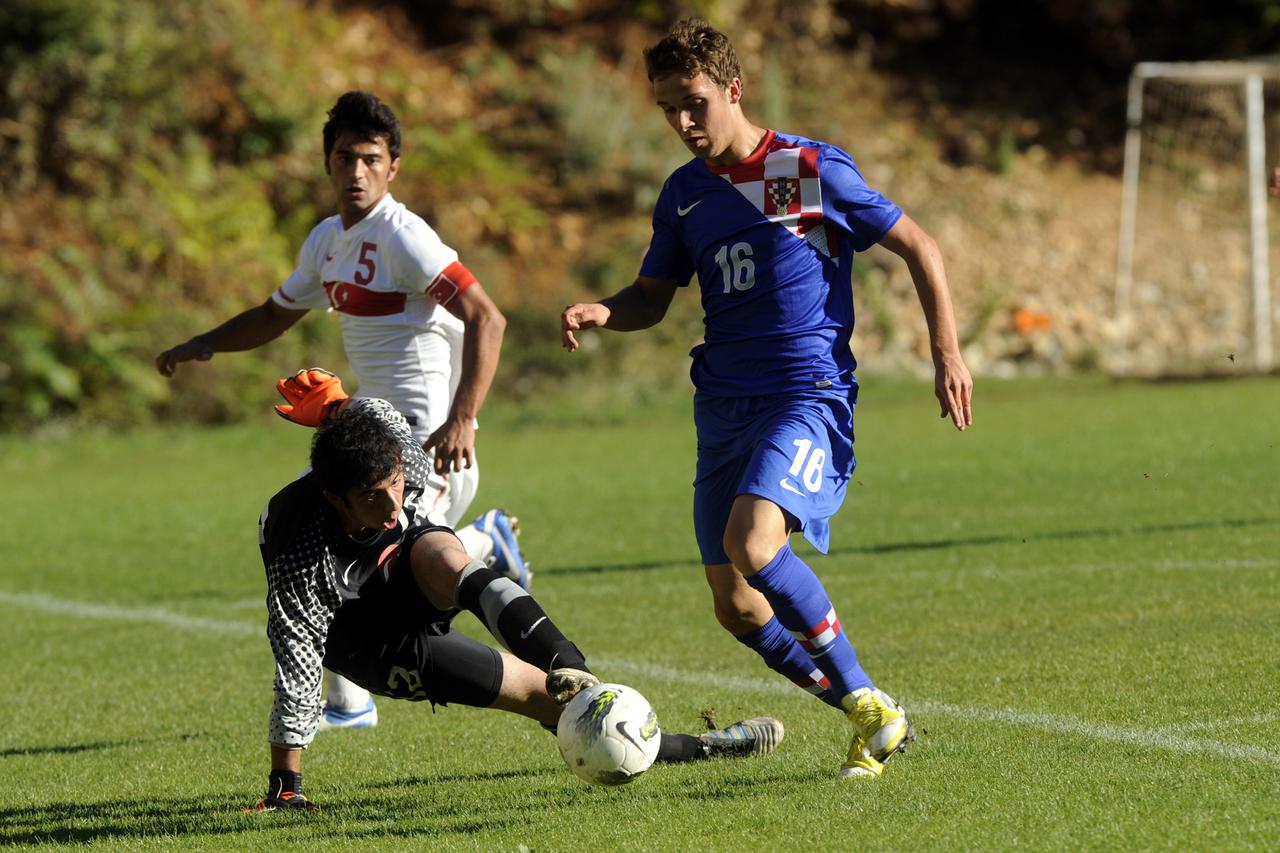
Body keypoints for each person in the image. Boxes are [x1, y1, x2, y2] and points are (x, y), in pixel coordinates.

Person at [560, 19, 973, 780]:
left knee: (756, 545)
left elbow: (921, 244)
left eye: (694, 103)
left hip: (804, 393)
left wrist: (946, 350)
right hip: (722, 408)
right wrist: (604, 311)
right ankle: (865, 709)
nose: (682, 124)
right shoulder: (684, 197)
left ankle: (868, 706)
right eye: (666, 110)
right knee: (737, 604)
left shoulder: (806, 168)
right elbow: (653, 296)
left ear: (733, 90)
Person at [156, 91, 527, 730]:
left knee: (385, 562)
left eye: (370, 159)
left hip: (426, 446)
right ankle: (351, 703)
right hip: (377, 434)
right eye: (343, 158)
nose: (356, 172)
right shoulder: (328, 240)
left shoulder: (404, 237)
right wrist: (205, 343)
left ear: (393, 167)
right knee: (318, 537)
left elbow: (487, 316)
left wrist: (463, 416)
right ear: (327, 165)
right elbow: (276, 314)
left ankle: (482, 542)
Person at [249, 369, 784, 811]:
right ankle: (700, 748)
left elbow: (371, 424)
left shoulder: (396, 452)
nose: (393, 504)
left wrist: (337, 404)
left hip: (409, 569)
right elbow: (297, 661)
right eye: (372, 497)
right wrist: (285, 784)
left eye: (395, 486)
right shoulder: (297, 542)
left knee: (444, 556)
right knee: (554, 705)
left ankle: (564, 658)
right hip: (363, 635)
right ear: (334, 497)